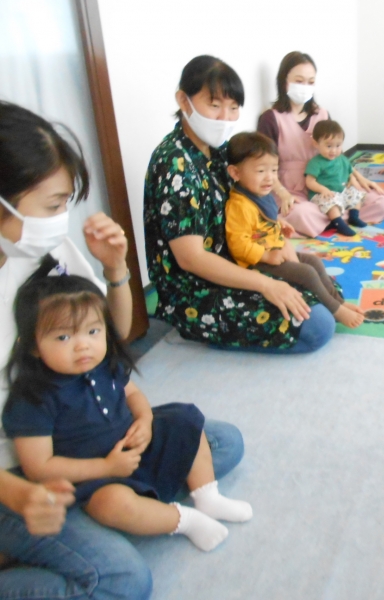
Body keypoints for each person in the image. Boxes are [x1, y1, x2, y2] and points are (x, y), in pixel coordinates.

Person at [0, 99, 243, 597]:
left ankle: (106, 509)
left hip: (93, 431)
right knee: (123, 581)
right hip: (24, 470)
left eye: (65, 203)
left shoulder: (46, 249)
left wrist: (115, 269)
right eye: (52, 205)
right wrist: (20, 493)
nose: (61, 220)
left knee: (220, 442)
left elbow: (113, 335)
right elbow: (37, 465)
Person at [3, 263, 253, 552]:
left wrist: (144, 420)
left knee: (186, 419)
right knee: (111, 505)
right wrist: (106, 467)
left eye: (93, 331)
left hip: (136, 448)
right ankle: (184, 520)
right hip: (94, 477)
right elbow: (39, 467)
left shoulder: (103, 364)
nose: (83, 346)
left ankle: (207, 496)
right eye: (63, 337)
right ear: (32, 346)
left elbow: (133, 394)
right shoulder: (33, 397)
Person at [144, 55, 336, 353]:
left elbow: (250, 203)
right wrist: (266, 285)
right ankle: (204, 328)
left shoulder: (219, 151)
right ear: (183, 100)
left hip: (240, 256)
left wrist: (275, 233)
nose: (225, 117)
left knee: (312, 275)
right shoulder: (174, 163)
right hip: (195, 289)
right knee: (317, 325)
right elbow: (191, 259)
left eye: (233, 107)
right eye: (214, 105)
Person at [225, 131, 364, 328]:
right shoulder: (239, 205)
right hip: (256, 263)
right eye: (261, 171)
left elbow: (261, 220)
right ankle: (335, 309)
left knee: (314, 261)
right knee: (306, 273)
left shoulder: (257, 193)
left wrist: (279, 222)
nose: (270, 178)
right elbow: (238, 245)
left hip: (276, 251)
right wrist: (266, 256)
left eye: (274, 170)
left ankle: (338, 301)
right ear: (235, 173)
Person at [257, 51, 384, 238]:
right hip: (292, 188)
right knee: (302, 214)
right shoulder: (270, 118)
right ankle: (338, 218)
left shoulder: (322, 114)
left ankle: (332, 219)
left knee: (381, 202)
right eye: (299, 81)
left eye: (310, 82)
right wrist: (283, 193)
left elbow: (337, 154)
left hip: (331, 183)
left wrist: (360, 178)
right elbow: (264, 165)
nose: (305, 87)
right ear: (284, 81)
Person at [305, 120, 380, 237]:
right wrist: (322, 189)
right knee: (331, 204)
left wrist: (352, 180)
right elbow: (309, 181)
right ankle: (338, 223)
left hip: (341, 191)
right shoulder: (316, 162)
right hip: (323, 194)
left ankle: (354, 216)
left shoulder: (342, 159)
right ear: (316, 143)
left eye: (338, 146)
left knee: (357, 194)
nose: (333, 150)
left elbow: (350, 171)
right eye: (328, 146)